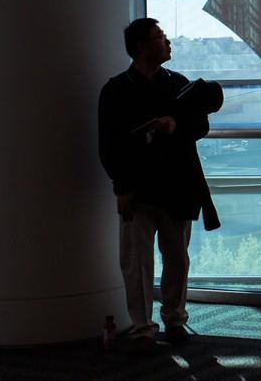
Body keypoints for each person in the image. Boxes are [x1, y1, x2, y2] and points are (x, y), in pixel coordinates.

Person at [98, 18, 221, 348]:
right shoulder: (135, 88)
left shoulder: (121, 89)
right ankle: (157, 323)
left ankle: (158, 322)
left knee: (165, 259)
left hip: (162, 186)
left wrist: (173, 125)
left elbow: (199, 126)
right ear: (142, 46)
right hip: (153, 186)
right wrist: (122, 188)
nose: (168, 42)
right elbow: (108, 145)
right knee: (155, 259)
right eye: (161, 37)